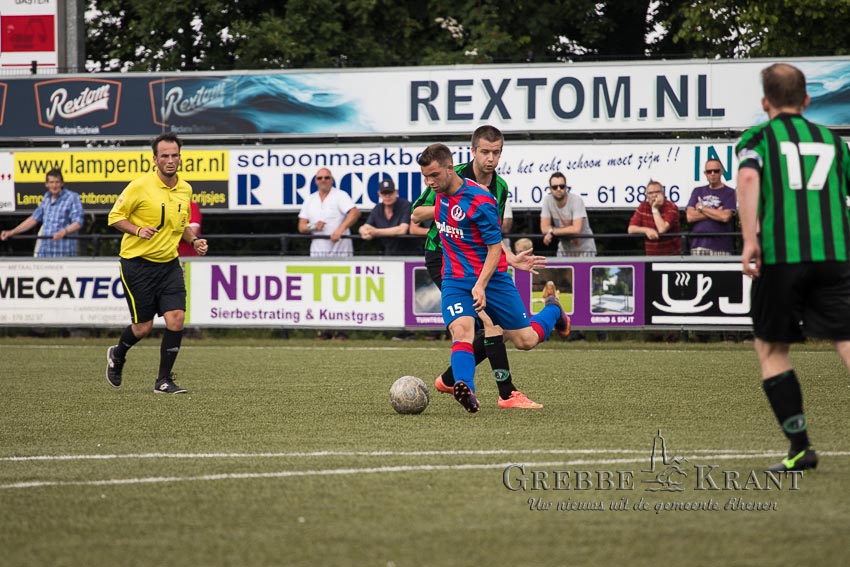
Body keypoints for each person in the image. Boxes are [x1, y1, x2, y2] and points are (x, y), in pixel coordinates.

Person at [738, 63, 850, 472]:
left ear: (765, 102)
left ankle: (801, 448)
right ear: (806, 100)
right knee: (847, 339)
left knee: (772, 348)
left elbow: (748, 181)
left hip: (782, 255)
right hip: (835, 254)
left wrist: (750, 239)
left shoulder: (758, 138)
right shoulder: (832, 140)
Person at [417, 143, 570, 413]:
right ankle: (466, 389)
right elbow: (418, 216)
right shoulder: (439, 195)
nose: (429, 182)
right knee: (462, 330)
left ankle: (553, 309)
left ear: (450, 169)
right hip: (455, 278)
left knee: (525, 340)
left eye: (434, 176)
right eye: (425, 177)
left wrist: (482, 283)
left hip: (493, 279)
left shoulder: (482, 200)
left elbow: (493, 246)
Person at [105, 133, 209, 394]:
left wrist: (194, 240)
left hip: (169, 263)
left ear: (180, 157)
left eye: (175, 155)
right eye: (165, 156)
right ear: (154, 159)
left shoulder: (185, 189)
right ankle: (118, 353)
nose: (170, 160)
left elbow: (181, 224)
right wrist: (138, 230)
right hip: (137, 264)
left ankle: (163, 381)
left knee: (177, 318)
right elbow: (114, 217)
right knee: (143, 328)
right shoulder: (139, 186)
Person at [1, 169, 84, 257]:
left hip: (63, 252)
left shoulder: (72, 197)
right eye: (51, 182)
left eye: (57, 182)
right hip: (45, 252)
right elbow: (34, 219)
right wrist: (12, 232)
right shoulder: (46, 198)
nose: (54, 185)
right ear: (46, 184)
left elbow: (78, 222)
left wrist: (64, 232)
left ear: (62, 183)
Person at [297, 168, 361, 258]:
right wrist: (313, 226)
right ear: (315, 181)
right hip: (317, 254)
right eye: (319, 178)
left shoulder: (340, 195)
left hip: (341, 253)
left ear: (332, 180)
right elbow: (301, 227)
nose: (323, 180)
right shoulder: (309, 199)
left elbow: (355, 213)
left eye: (327, 178)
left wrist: (340, 230)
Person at [685, 160, 737, 255]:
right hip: (698, 246)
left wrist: (702, 208)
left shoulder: (730, 192)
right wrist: (716, 212)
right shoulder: (697, 191)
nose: (712, 174)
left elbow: (725, 217)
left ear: (721, 172)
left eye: (716, 171)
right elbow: (690, 217)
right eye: (709, 171)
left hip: (721, 247)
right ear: (705, 174)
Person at [540, 172, 597, 256]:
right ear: (550, 189)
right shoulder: (547, 200)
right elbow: (544, 228)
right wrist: (556, 231)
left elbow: (576, 229)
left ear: (566, 187)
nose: (558, 189)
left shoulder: (576, 200)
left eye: (562, 186)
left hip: (584, 249)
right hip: (564, 249)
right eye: (555, 187)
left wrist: (552, 231)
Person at [358, 178, 414, 255]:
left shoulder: (406, 205)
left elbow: (402, 230)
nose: (387, 196)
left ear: (396, 192)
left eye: (390, 193)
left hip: (410, 254)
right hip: (389, 253)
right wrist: (364, 232)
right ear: (379, 194)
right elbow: (365, 227)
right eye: (384, 193)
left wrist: (376, 232)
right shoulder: (377, 208)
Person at [627, 180, 682, 255]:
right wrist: (646, 230)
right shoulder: (642, 207)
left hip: (672, 256)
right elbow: (631, 229)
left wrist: (655, 209)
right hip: (651, 256)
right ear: (646, 195)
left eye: (657, 192)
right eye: (650, 193)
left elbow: (662, 229)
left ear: (663, 194)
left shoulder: (671, 207)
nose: (654, 195)